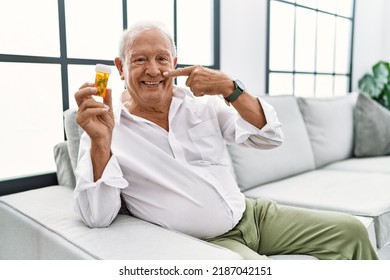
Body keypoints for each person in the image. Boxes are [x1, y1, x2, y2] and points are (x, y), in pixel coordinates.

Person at [73, 21, 378, 260]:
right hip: (206, 242)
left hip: (253, 214)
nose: (153, 69)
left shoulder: (201, 105)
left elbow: (270, 137)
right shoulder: (104, 126)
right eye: (139, 59)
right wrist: (101, 143)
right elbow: (98, 216)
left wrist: (230, 88)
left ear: (175, 62)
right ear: (120, 68)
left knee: (351, 231)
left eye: (161, 58)